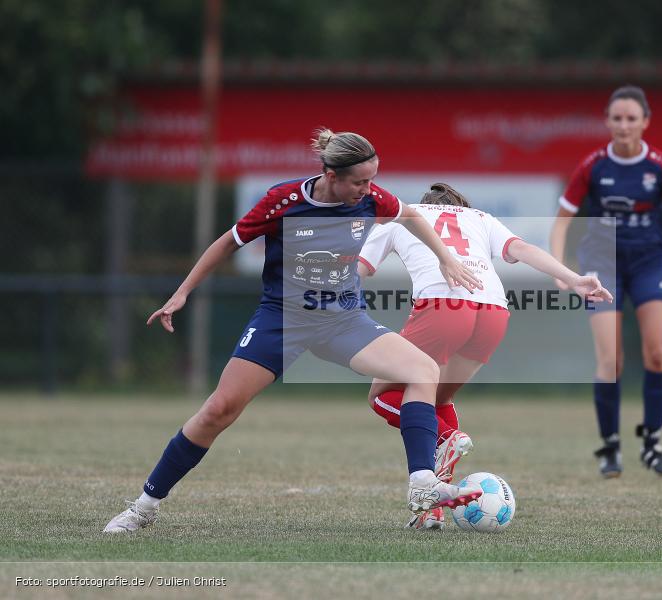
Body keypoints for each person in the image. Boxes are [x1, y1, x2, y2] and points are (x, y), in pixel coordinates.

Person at [103, 128, 486, 533]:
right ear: (330, 174)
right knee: (219, 410)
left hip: (343, 320)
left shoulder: (372, 199)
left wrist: (444, 257)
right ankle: (144, 506)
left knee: (422, 370)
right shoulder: (283, 200)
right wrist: (182, 292)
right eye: (359, 181)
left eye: (371, 179)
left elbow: (409, 214)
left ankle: (422, 482)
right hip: (283, 320)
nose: (368, 189)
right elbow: (228, 242)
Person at [357, 182, 612, 529]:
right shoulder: (480, 217)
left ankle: (447, 437)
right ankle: (430, 510)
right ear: (461, 205)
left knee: (381, 395)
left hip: (443, 306)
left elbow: (361, 267)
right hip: (493, 310)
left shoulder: (405, 215)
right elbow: (520, 249)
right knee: (435, 399)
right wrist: (574, 277)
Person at [550, 85, 662, 478]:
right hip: (603, 264)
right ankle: (610, 447)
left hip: (650, 263)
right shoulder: (594, 167)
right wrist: (560, 269)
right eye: (617, 118)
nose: (624, 125)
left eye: (632, 118)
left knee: (658, 354)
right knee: (611, 360)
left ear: (645, 122)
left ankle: (652, 443)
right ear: (608, 121)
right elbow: (563, 220)